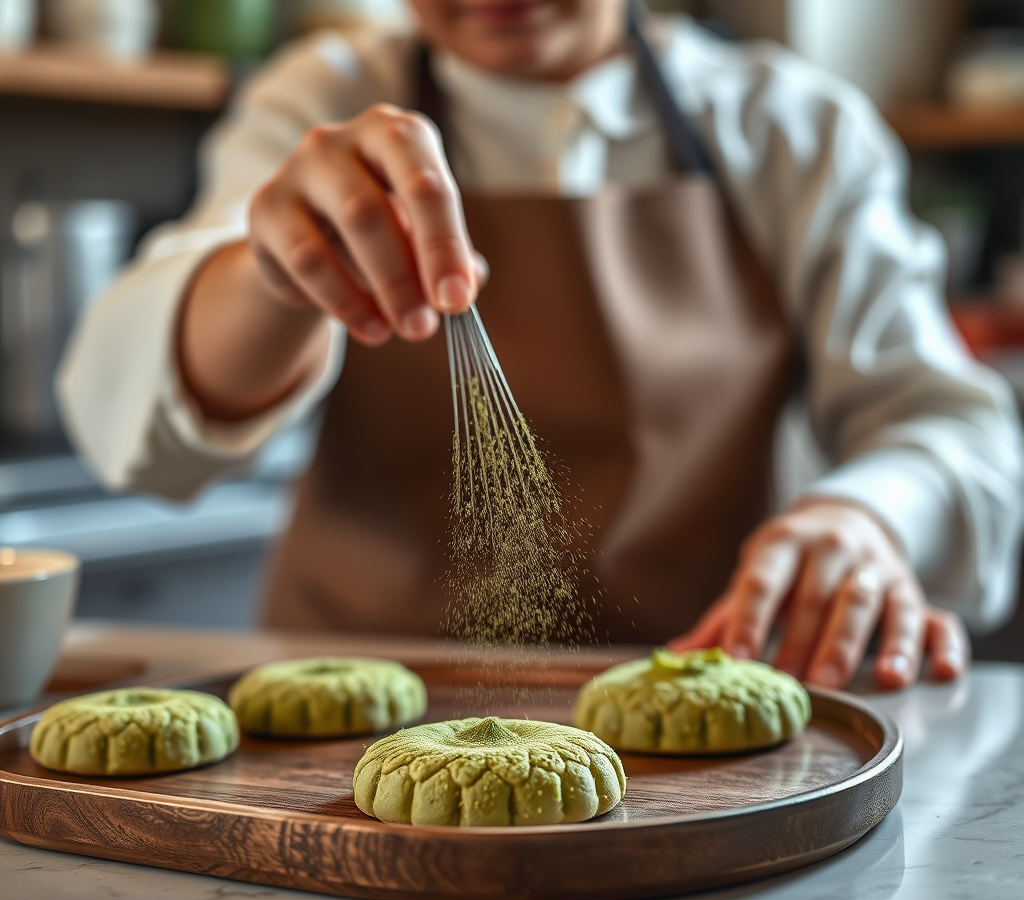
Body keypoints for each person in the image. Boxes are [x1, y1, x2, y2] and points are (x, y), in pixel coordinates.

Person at [58, 0, 1024, 691]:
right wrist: (275, 272)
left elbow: (949, 427)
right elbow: (128, 424)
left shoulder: (791, 131)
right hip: (348, 740)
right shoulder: (323, 97)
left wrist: (867, 517)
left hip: (696, 698)